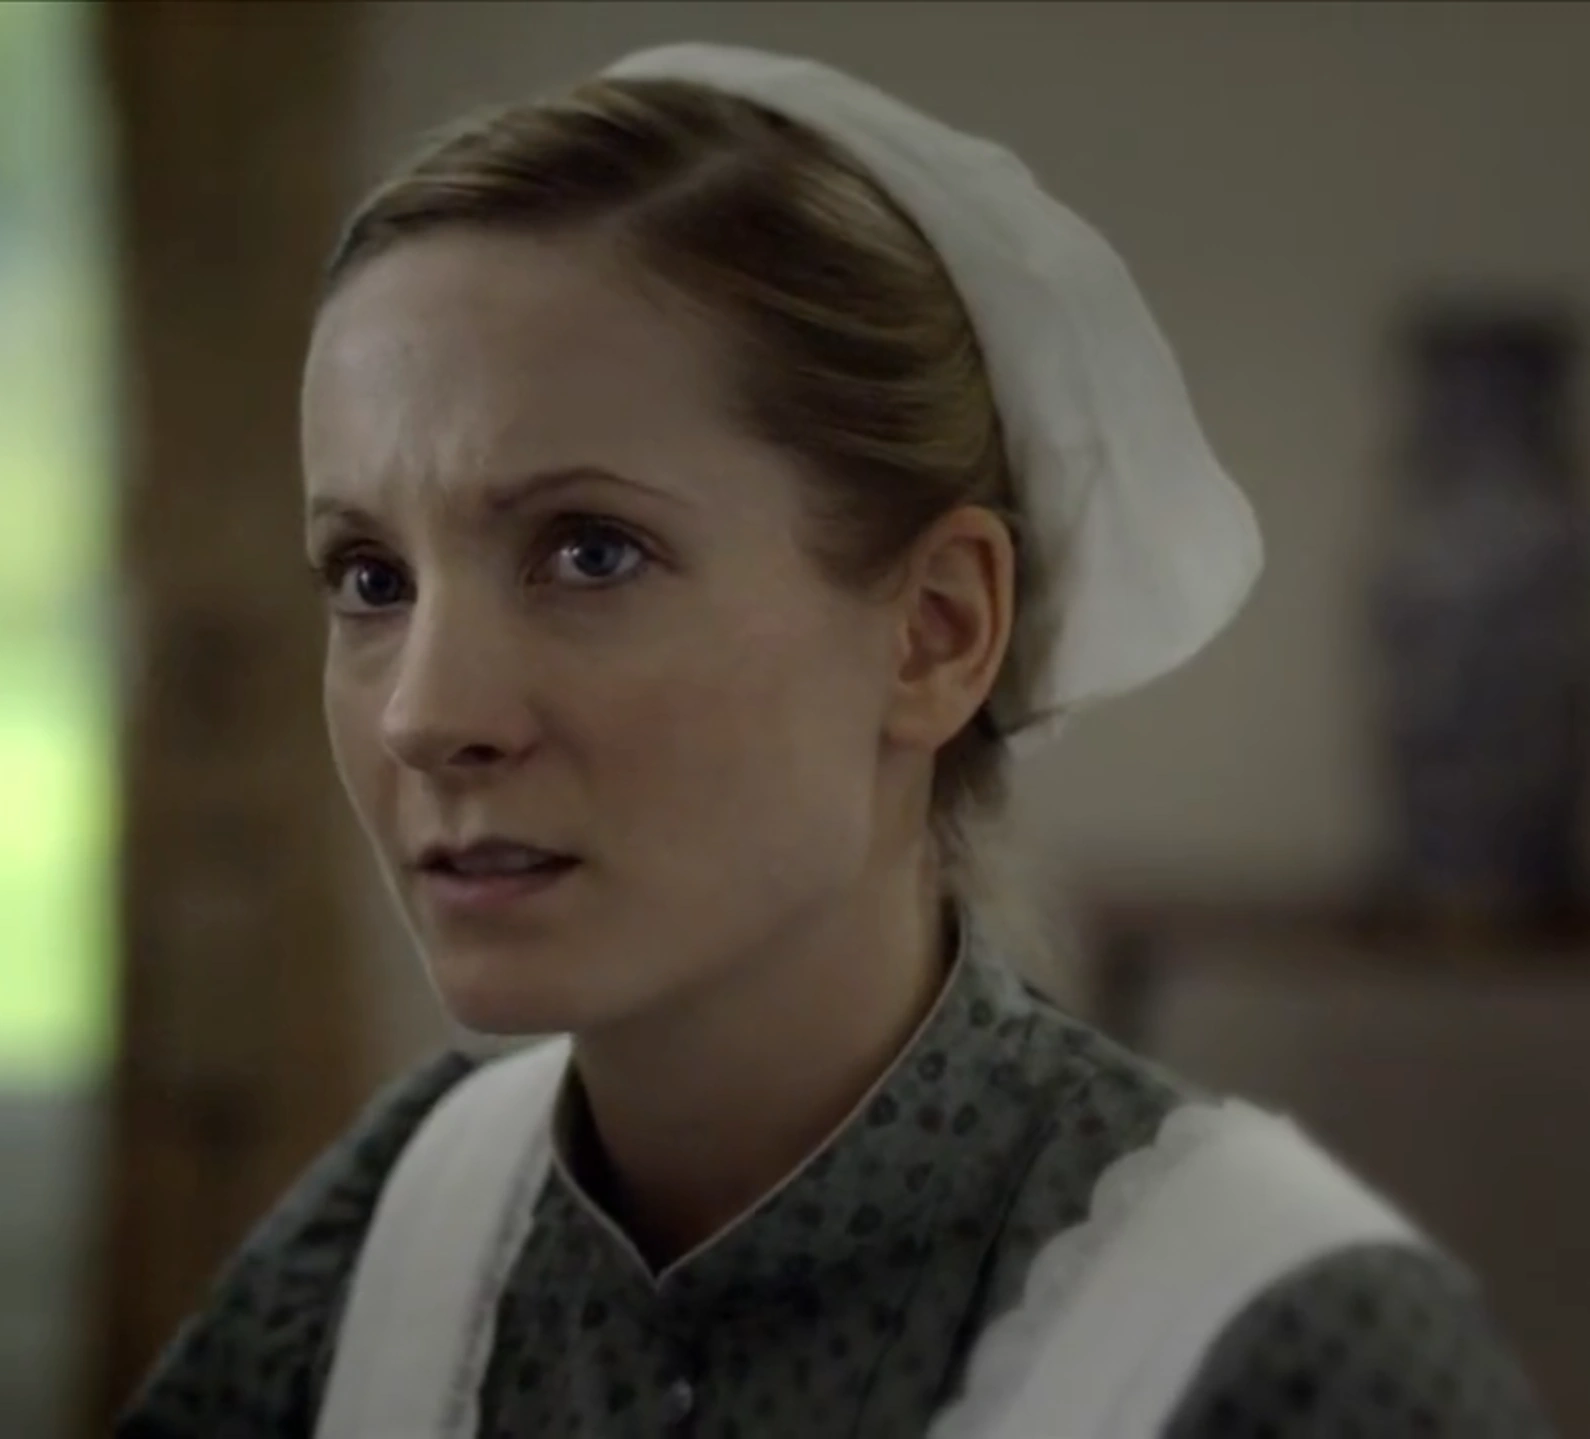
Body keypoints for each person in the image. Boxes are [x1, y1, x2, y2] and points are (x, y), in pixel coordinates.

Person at [119, 42, 1552, 1439]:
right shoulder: (386, 1241)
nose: (427, 716)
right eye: (371, 577)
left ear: (934, 630)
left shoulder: (1293, 1354)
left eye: (591, 552)